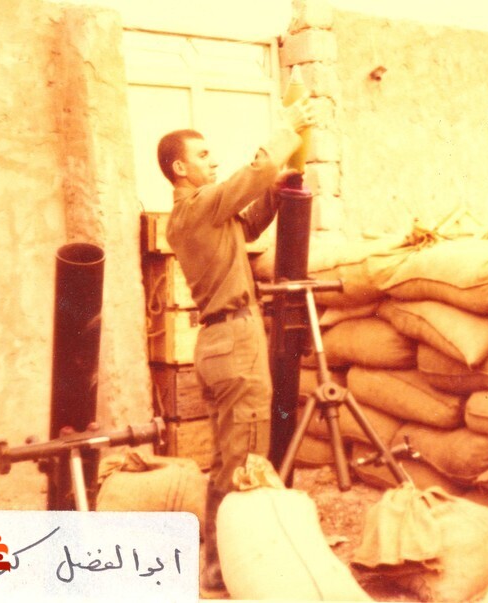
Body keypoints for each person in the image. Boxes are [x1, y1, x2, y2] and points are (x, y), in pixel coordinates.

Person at [157, 96, 315, 597]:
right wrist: (287, 129)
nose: (214, 161)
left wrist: (280, 188)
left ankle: (218, 562)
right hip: (233, 340)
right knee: (245, 459)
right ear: (180, 168)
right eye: (203, 156)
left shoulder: (203, 217)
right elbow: (253, 172)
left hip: (222, 340)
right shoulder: (197, 207)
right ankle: (228, 567)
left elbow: (247, 222)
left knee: (231, 458)